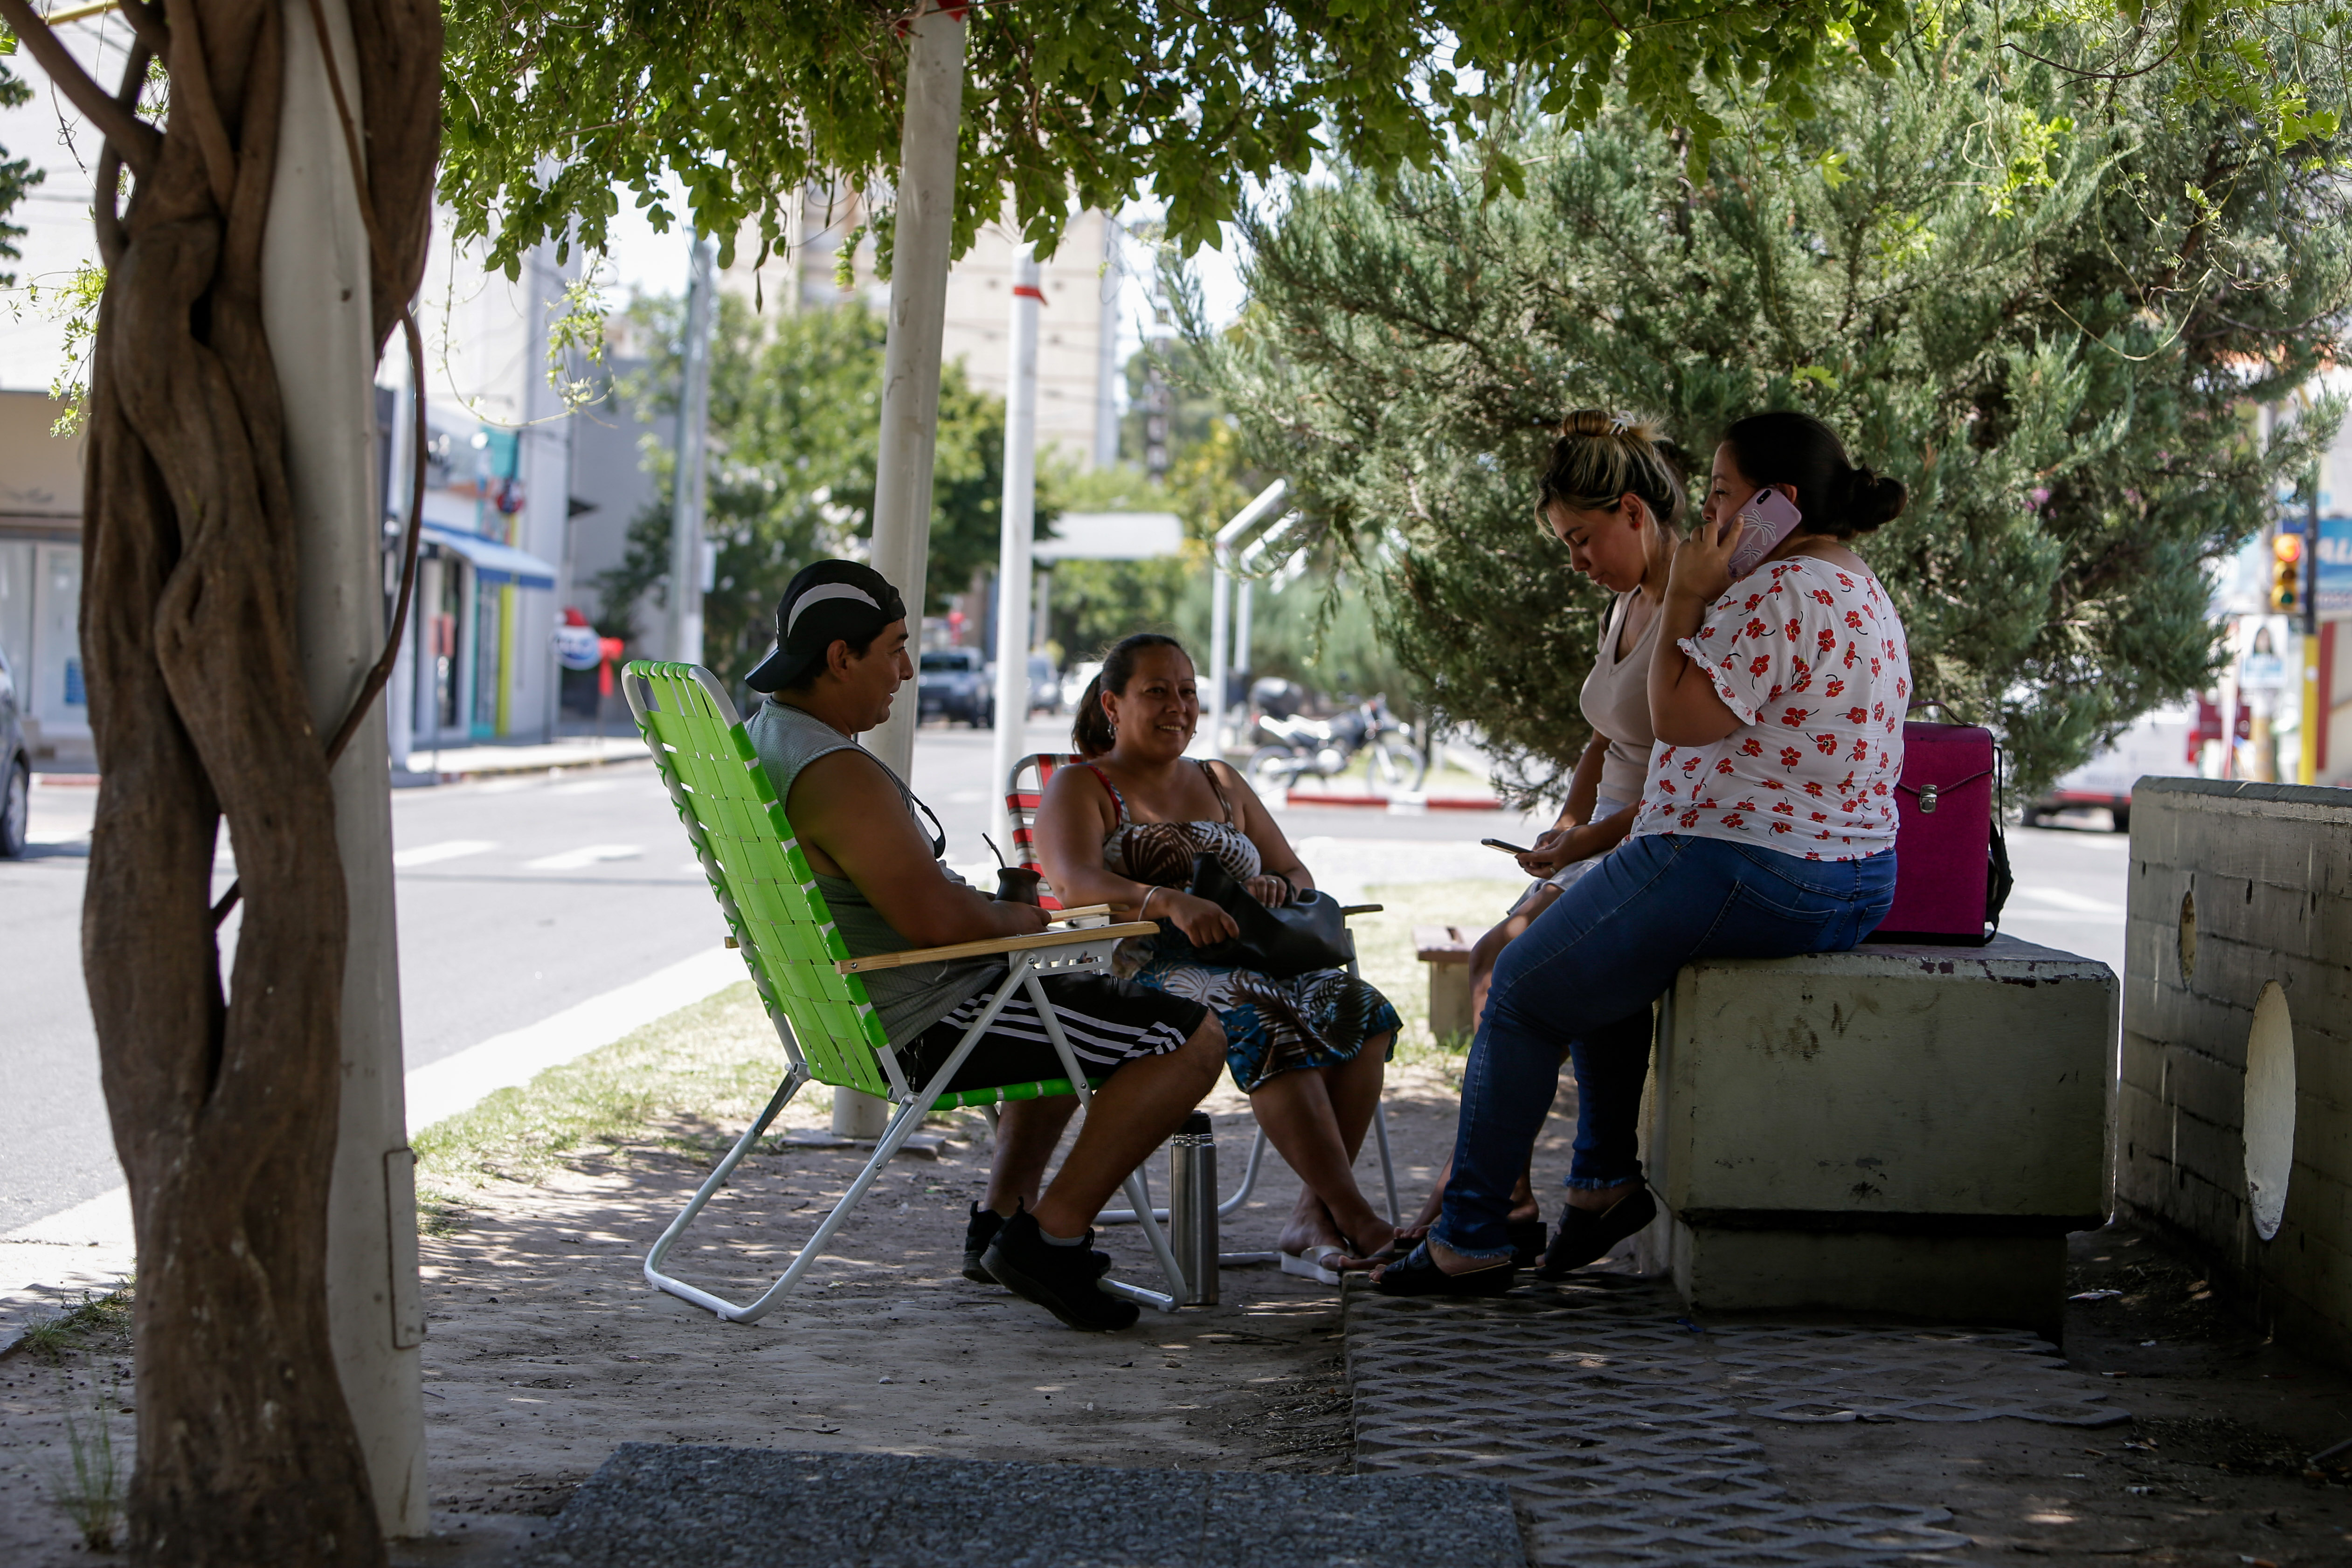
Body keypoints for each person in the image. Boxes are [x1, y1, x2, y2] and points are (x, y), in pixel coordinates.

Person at [1374, 409, 1912, 1296]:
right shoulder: (1859, 585)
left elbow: (1678, 721)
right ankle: (1600, 1186)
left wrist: (1694, 597)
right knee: (1594, 956)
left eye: (1722, 497)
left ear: (1776, 506)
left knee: (1515, 992)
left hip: (1745, 864)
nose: (1708, 518)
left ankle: (1470, 1236)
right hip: (1851, 879)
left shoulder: (1775, 592)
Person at [740, 561, 1225, 1332]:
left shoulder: (764, 739)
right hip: (924, 1022)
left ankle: (1001, 1219)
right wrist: (1024, 923)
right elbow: (936, 922)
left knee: (1070, 1006)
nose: (905, 671)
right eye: (895, 649)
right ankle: (1050, 1238)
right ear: (839, 658)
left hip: (849, 1018)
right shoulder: (835, 770)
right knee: (1191, 1037)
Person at [1394, 410, 1683, 1263]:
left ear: (1634, 512)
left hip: (1649, 843)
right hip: (1602, 840)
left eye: (1582, 538)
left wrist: (1588, 842)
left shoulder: (1692, 610)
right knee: (1512, 958)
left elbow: (1684, 783)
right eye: (1565, 543)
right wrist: (1566, 826)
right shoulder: (1629, 601)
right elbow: (1604, 739)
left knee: (1502, 964)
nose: (1577, 562)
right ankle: (1583, 1183)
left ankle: (1499, 1203)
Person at [1033, 633, 1404, 1278]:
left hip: (1257, 955)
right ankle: (1358, 1216)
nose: (1178, 706)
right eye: (1157, 692)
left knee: (1362, 1008)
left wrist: (1274, 887)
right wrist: (1167, 901)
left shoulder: (1221, 780)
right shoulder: (1083, 785)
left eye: (1188, 692)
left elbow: (1295, 870)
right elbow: (1072, 882)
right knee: (1261, 1017)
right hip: (1149, 967)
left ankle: (1312, 1217)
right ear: (1112, 704)